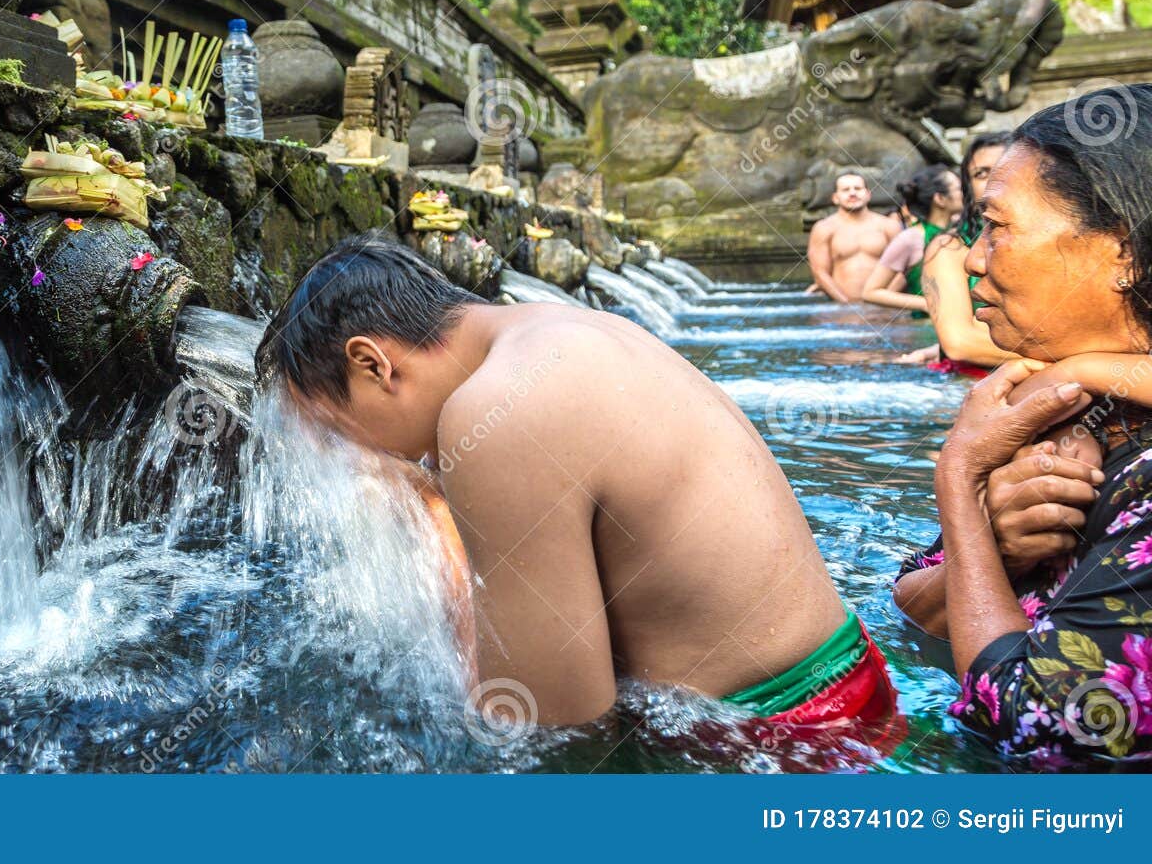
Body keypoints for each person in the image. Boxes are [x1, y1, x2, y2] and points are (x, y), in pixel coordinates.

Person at [256, 236, 898, 734]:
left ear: (372, 363)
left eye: (336, 429)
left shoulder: (496, 417)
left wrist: (432, 513)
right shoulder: (562, 332)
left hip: (783, 745)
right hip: (851, 686)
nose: (352, 455)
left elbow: (542, 726)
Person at [893, 85, 1152, 765]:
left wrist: (960, 477)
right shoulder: (1069, 414)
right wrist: (993, 548)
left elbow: (1040, 732)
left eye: (998, 227)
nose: (973, 259)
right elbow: (909, 595)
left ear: (1122, 252)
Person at [917, 133, 1018, 375]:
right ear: (968, 189)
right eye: (981, 173)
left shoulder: (1056, 239)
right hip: (970, 387)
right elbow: (960, 344)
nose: (994, 178)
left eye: (1006, 166)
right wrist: (1064, 358)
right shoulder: (949, 249)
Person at [861, 165, 962, 316]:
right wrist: (924, 303)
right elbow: (870, 292)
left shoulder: (961, 231)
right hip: (927, 331)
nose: (965, 192)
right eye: (959, 188)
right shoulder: (911, 238)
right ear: (940, 199)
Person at [806, 171, 902, 302]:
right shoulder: (824, 228)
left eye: (858, 188)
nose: (852, 193)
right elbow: (820, 272)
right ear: (835, 198)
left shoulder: (889, 226)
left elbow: (905, 268)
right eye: (845, 190)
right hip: (841, 310)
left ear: (868, 194)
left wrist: (884, 299)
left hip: (886, 307)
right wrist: (846, 304)